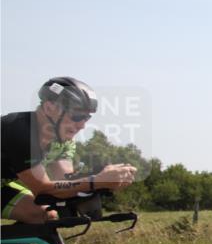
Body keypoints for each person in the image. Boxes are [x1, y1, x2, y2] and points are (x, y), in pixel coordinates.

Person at [1, 77, 137, 224]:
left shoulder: (62, 140)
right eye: (77, 116)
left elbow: (65, 182)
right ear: (49, 108)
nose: (82, 125)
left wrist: (101, 177)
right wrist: (94, 182)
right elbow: (42, 189)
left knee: (45, 215)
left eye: (86, 117)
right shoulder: (19, 130)